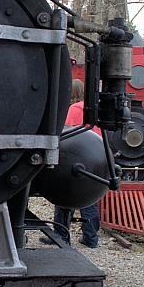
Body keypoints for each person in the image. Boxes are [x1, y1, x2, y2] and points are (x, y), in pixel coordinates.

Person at [53, 79, 101, 248]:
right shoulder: (93, 108)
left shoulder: (73, 109)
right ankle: (91, 238)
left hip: (75, 158)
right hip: (95, 158)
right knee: (89, 199)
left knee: (65, 197)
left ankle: (60, 236)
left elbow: (65, 135)